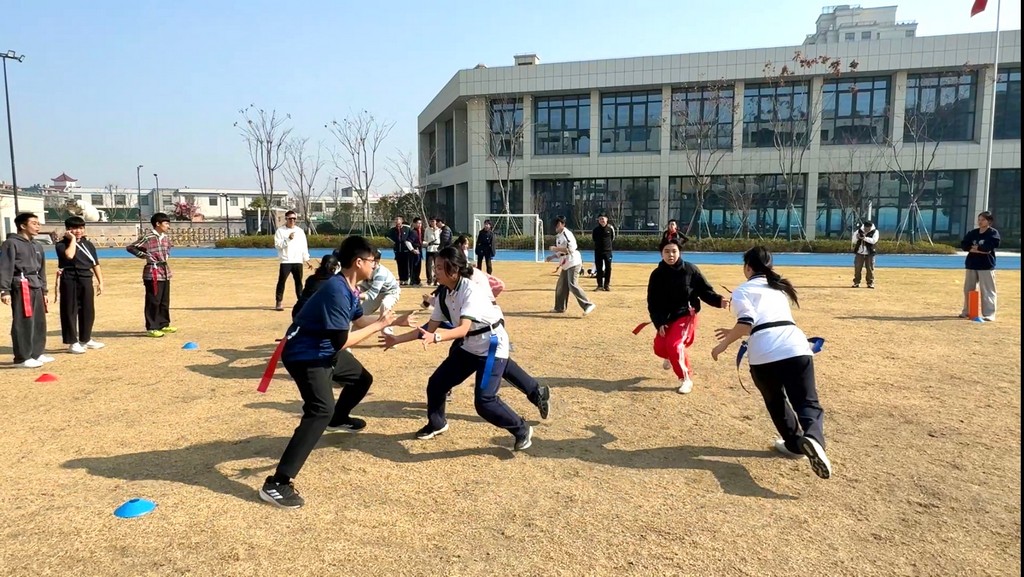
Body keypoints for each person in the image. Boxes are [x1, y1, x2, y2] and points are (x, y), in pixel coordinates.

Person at [259, 236, 396, 510]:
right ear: (358, 262)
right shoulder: (336, 290)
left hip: (324, 351)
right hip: (305, 355)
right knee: (320, 410)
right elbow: (342, 341)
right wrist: (380, 325)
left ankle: (339, 418)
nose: (376, 266)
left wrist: (393, 321)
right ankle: (277, 483)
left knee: (361, 379)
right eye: (373, 261)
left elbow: (359, 320)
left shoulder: (350, 287)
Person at [381, 247, 544, 450]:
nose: (435, 271)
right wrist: (396, 339)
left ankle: (522, 429)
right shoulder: (444, 293)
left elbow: (462, 329)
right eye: (435, 267)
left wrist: (436, 338)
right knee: (437, 384)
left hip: (491, 346)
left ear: (454, 270)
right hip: (470, 345)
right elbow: (428, 328)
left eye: (439, 267)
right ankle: (437, 423)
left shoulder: (469, 290)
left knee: (484, 401)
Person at [710, 246, 832, 480]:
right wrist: (733, 332)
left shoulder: (742, 290)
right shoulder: (778, 289)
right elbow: (762, 322)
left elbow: (747, 323)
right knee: (807, 402)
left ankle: (795, 444)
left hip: (763, 355)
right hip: (795, 346)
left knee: (775, 401)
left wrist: (723, 344)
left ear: (747, 267)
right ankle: (814, 439)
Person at [647, 237, 728, 394]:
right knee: (659, 348)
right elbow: (653, 302)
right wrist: (659, 322)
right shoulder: (656, 275)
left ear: (680, 252)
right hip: (666, 317)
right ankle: (671, 356)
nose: (671, 255)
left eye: (674, 251)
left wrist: (719, 300)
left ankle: (686, 378)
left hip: (686, 314)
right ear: (661, 254)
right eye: (667, 251)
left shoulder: (690, 270)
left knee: (675, 345)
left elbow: (705, 291)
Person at [0, 212, 53, 368]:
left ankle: (36, 353)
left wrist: (44, 290)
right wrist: (4, 290)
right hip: (21, 284)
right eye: (34, 223)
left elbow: (41, 269)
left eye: (38, 223)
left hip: (36, 285)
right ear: (23, 226)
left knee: (38, 321)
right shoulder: (11, 243)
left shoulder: (37, 245)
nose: (38, 226)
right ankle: (22, 357)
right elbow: (5, 267)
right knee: (24, 320)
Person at [55, 216, 105, 354]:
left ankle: (85, 339)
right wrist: (72, 240)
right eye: (75, 228)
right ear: (68, 229)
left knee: (88, 309)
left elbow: (95, 263)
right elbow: (69, 255)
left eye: (81, 228)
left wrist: (100, 281)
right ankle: (72, 342)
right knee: (70, 310)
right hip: (69, 277)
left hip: (85, 277)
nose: (79, 231)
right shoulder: (61, 244)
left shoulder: (88, 244)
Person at [126, 213, 177, 338]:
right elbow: (131, 247)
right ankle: (152, 327)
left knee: (164, 300)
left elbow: (168, 249)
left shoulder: (165, 238)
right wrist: (144, 256)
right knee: (154, 300)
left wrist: (166, 256)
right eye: (166, 223)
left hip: (165, 272)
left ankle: (163, 324)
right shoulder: (148, 237)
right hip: (152, 273)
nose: (168, 226)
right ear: (157, 224)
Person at [545, 216, 596, 316]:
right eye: (555, 224)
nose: (556, 226)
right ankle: (560, 307)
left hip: (573, 262)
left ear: (563, 224)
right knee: (561, 286)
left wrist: (555, 249)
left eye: (558, 224)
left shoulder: (567, 234)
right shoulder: (559, 236)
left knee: (572, 284)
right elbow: (561, 251)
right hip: (566, 263)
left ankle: (587, 304)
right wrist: (552, 256)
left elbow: (570, 249)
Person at [959, 211, 1000, 322]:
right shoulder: (973, 233)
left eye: (983, 220)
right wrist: (977, 249)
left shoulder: (993, 233)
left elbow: (987, 249)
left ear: (989, 221)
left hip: (986, 265)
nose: (980, 222)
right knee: (968, 289)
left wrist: (976, 248)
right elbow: (964, 245)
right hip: (971, 264)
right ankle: (967, 311)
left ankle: (989, 314)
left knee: (987, 290)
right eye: (979, 219)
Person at [273, 210, 314, 311]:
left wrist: (307, 259)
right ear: (286, 219)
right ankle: (279, 301)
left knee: (299, 282)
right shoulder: (280, 231)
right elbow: (278, 245)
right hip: (286, 260)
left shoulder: (300, 231)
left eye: (294, 219)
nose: (292, 221)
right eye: (290, 218)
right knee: (282, 281)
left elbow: (304, 247)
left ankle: (301, 302)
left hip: (297, 260)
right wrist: (288, 239)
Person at [292, 254, 340, 319]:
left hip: (298, 311)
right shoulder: (334, 282)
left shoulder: (311, 278)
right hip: (313, 315)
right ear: (334, 268)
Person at [358, 249, 402, 316]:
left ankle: (387, 322)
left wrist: (355, 295)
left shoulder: (380, 274)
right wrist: (352, 290)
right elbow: (363, 287)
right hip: (377, 293)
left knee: (385, 305)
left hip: (391, 292)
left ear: (376, 261)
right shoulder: (367, 270)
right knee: (361, 313)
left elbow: (372, 294)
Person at [851, 220, 879, 289]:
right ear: (864, 226)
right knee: (857, 268)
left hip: (870, 253)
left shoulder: (875, 232)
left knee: (870, 268)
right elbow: (853, 241)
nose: (867, 229)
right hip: (859, 252)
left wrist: (864, 238)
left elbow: (874, 241)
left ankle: (870, 283)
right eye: (866, 228)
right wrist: (857, 237)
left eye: (869, 228)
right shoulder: (858, 231)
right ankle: (856, 282)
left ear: (871, 227)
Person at [591, 214, 616, 291]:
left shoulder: (610, 228)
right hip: (598, 251)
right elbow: (594, 239)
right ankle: (600, 285)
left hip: (608, 252)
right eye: (600, 219)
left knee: (608, 268)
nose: (602, 220)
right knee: (599, 268)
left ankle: (606, 285)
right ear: (598, 220)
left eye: (603, 219)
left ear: (606, 219)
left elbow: (612, 238)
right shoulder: (595, 230)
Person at [386, 216, 412, 285]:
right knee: (400, 265)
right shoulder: (392, 230)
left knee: (406, 265)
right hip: (397, 250)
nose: (397, 221)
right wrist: (392, 242)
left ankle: (406, 279)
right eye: (396, 219)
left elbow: (411, 236)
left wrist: (408, 243)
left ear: (401, 221)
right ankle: (401, 279)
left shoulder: (407, 229)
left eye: (398, 219)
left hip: (405, 250)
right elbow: (387, 236)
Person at [424, 217, 441, 286]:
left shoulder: (439, 230)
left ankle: (437, 279)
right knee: (428, 265)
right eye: (431, 221)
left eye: (433, 221)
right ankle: (429, 280)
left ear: (436, 222)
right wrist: (427, 243)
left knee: (437, 265)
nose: (432, 223)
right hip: (429, 248)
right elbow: (425, 239)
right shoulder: (427, 229)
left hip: (437, 248)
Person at [408, 217, 424, 285]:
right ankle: (413, 280)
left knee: (418, 266)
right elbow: (407, 241)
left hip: (419, 250)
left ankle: (417, 280)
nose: (419, 225)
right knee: (414, 266)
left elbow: (420, 241)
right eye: (418, 223)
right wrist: (412, 250)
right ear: (414, 224)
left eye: (420, 223)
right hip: (414, 251)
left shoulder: (420, 231)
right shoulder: (413, 232)